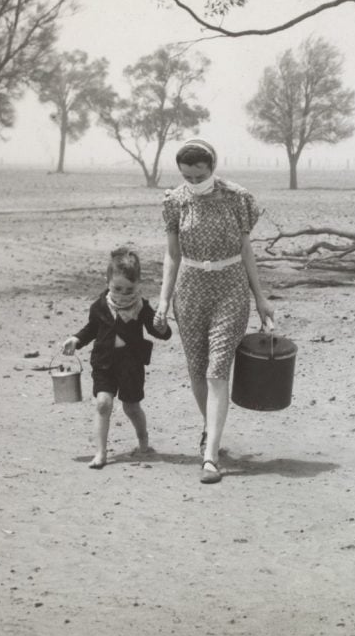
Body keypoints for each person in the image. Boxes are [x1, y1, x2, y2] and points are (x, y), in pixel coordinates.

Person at [154, 139, 274, 484]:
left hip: (231, 288)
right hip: (190, 290)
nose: (193, 182)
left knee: (217, 368)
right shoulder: (175, 202)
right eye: (187, 177)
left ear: (212, 167)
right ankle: (211, 432)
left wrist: (261, 298)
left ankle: (210, 456)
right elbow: (172, 255)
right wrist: (163, 300)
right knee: (196, 367)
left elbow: (247, 251)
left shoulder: (238, 198)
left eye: (199, 175)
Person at [63, 247, 171, 469]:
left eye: (129, 289)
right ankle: (100, 453)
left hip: (131, 365)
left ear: (138, 284)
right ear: (107, 282)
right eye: (117, 288)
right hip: (104, 364)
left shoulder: (142, 307)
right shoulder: (100, 306)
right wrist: (76, 340)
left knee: (131, 407)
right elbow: (91, 329)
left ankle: (143, 440)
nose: (122, 294)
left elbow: (160, 332)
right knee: (103, 404)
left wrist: (162, 325)